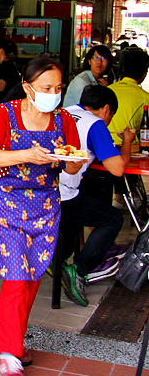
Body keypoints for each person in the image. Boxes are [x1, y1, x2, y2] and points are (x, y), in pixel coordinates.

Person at [0, 56, 84, 376]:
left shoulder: (63, 120)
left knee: (33, 276)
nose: (54, 93)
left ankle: (15, 343)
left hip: (46, 206)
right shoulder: (4, 113)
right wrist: (25, 155)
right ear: (27, 87)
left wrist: (69, 160)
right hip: (7, 203)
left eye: (58, 88)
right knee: (15, 277)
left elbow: (73, 165)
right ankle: (9, 357)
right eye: (46, 87)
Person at [58, 85, 132, 307]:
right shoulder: (94, 122)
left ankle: (57, 257)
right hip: (63, 196)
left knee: (83, 202)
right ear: (106, 109)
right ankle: (79, 270)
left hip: (43, 191)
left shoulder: (63, 111)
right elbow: (117, 168)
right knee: (112, 218)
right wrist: (127, 140)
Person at [107, 48, 149, 145]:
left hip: (101, 144)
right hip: (130, 147)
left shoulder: (107, 90)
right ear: (145, 74)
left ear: (123, 69)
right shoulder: (145, 98)